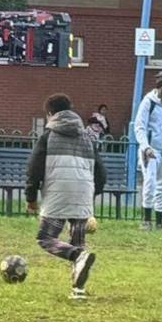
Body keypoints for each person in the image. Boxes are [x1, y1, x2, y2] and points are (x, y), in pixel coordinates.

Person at [26, 92, 104, 301]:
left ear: (50, 114)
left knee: (45, 238)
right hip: (83, 195)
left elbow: (34, 169)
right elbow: (101, 173)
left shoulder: (48, 136)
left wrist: (31, 198)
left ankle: (78, 256)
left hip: (57, 194)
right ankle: (78, 290)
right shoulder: (88, 137)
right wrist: (90, 194)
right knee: (78, 241)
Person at [134, 71, 162, 230]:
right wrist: (146, 147)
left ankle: (159, 220)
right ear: (161, 86)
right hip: (151, 149)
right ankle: (146, 219)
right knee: (150, 183)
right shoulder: (148, 102)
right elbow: (140, 126)